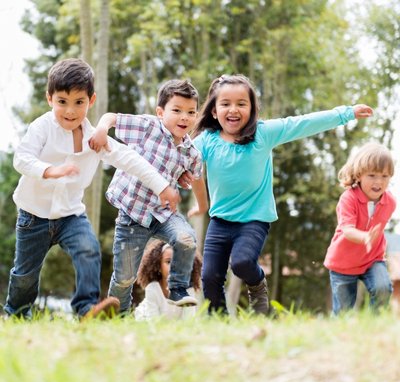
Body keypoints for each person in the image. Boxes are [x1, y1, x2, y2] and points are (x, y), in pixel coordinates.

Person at [4, 58, 180, 320]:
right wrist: (50, 170)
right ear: (50, 98)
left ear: (91, 100)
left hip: (70, 215)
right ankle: (16, 313)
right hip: (33, 216)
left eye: (79, 102)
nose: (70, 110)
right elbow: (22, 158)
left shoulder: (94, 138)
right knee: (25, 274)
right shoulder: (42, 127)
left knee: (89, 249)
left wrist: (162, 186)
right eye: (62, 101)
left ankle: (86, 309)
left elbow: (129, 159)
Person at [186, 74, 373, 315]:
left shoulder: (263, 134)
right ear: (214, 111)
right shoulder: (206, 141)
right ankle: (219, 320)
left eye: (241, 103)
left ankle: (258, 284)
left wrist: (346, 113)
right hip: (220, 221)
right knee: (210, 276)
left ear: (252, 110)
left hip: (254, 219)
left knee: (242, 262)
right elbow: (182, 158)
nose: (233, 109)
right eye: (225, 104)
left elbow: (303, 123)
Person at [89, 79, 208, 314]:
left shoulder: (191, 152)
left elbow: (197, 180)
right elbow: (112, 117)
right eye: (177, 110)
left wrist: (202, 206)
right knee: (124, 278)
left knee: (186, 238)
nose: (184, 117)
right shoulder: (148, 127)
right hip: (132, 215)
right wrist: (101, 130)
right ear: (160, 112)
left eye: (191, 112)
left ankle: (178, 287)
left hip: (163, 214)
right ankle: (116, 316)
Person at [324, 142, 395, 314]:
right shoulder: (348, 199)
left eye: (384, 176)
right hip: (343, 262)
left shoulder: (390, 202)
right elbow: (347, 230)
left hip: (373, 259)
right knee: (343, 312)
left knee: (383, 288)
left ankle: (374, 324)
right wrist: (365, 237)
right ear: (359, 175)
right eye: (372, 175)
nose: (379, 181)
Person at [134, 240, 202, 320]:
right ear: (159, 267)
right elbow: (153, 321)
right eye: (168, 261)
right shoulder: (153, 288)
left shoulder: (189, 290)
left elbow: (189, 321)